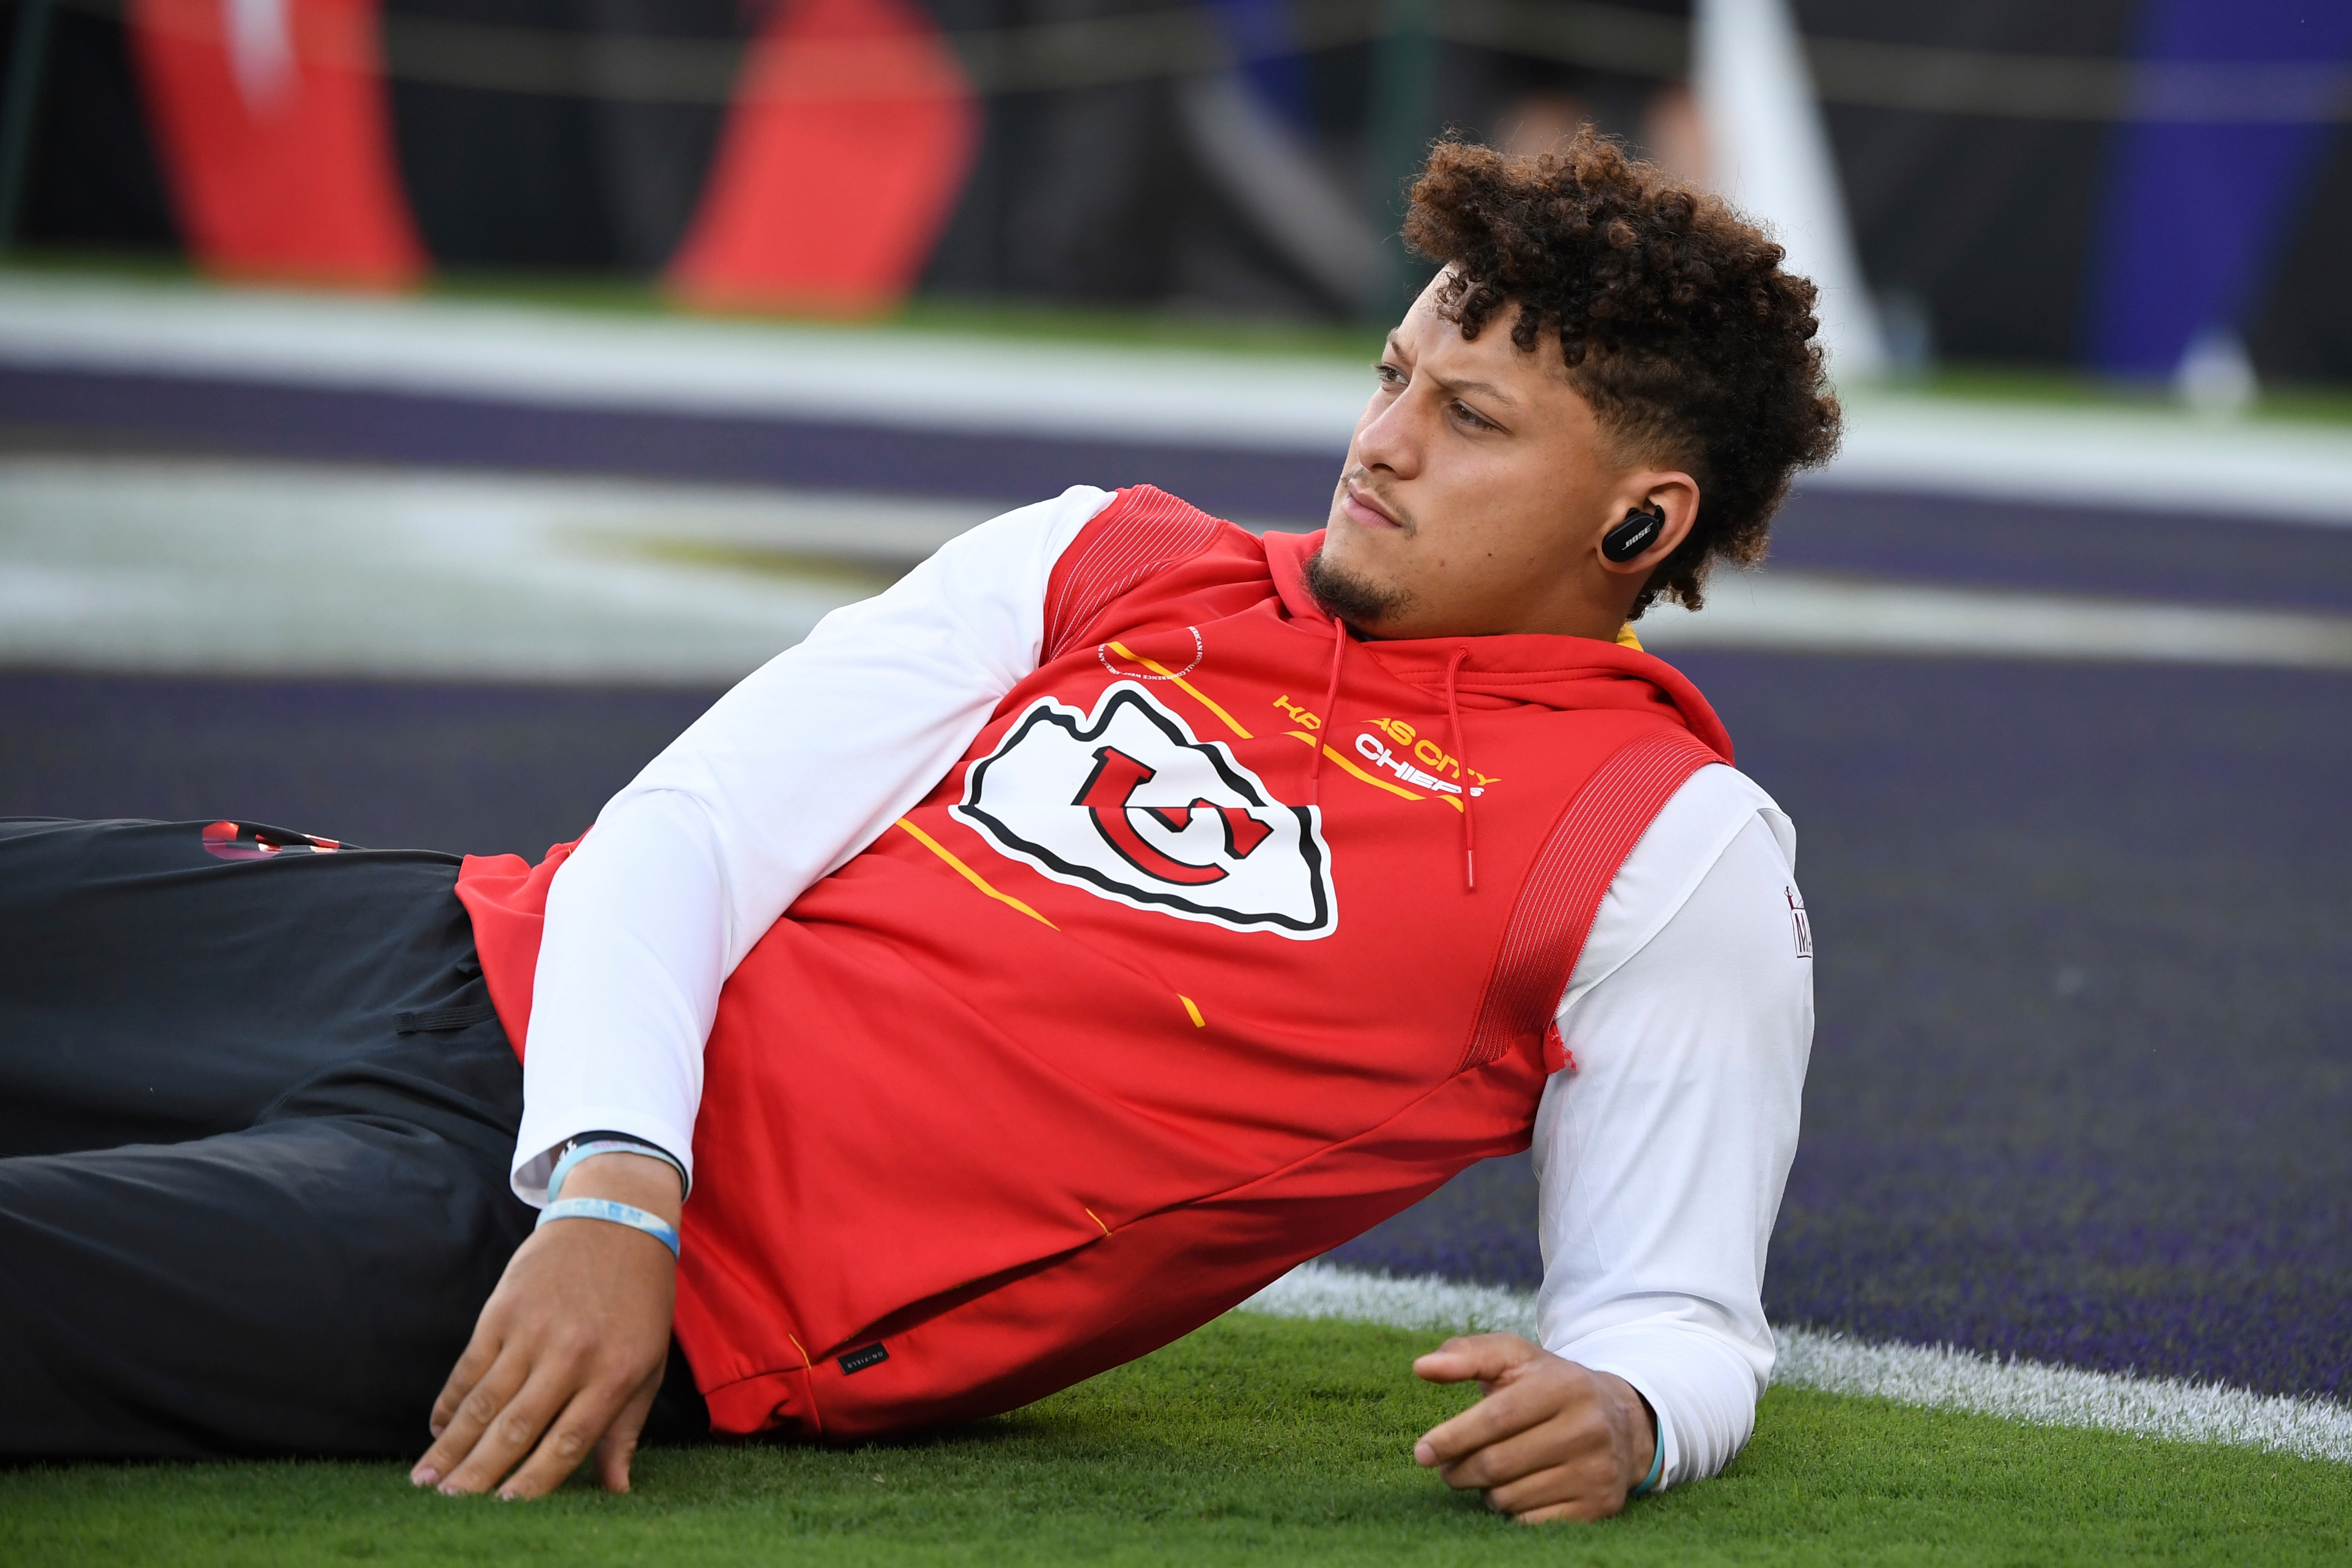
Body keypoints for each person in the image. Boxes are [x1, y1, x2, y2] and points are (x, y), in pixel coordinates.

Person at [0, 134, 1835, 1525]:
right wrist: (613, 1177)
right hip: (485, 981)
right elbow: (693, 827)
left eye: (1467, 417)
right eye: (1388, 377)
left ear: (1636, 523)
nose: (1382, 440)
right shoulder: (1104, 553)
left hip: (614, 1267)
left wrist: (1625, 1414)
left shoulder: (1659, 851)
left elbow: (1675, 1308)